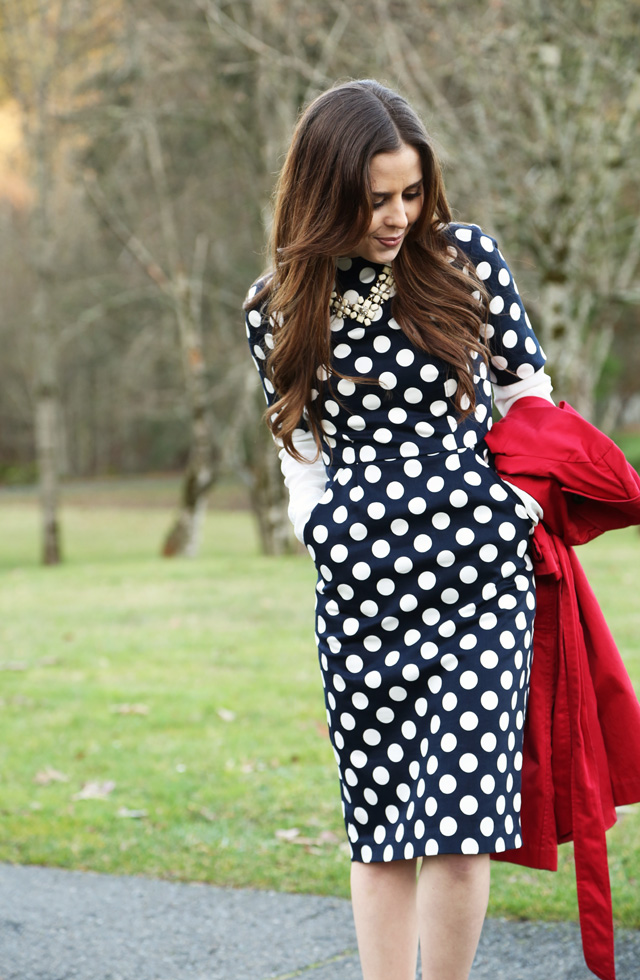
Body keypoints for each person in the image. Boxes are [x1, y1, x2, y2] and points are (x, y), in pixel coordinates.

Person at [244, 79, 553, 980]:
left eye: (411, 193)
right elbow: (297, 445)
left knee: (458, 825)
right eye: (375, 199)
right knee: (381, 831)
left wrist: (516, 505)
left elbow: (525, 396)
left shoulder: (463, 260)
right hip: (363, 601)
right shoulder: (276, 304)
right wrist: (324, 531)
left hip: (481, 583)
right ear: (325, 191)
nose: (396, 216)